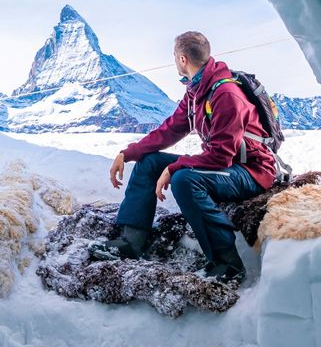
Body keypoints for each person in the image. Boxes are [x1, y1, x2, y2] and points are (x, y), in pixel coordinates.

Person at [89, 31, 277, 283]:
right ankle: (131, 241)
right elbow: (171, 129)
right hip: (227, 165)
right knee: (151, 162)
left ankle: (228, 264)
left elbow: (221, 156)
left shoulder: (225, 94)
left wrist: (176, 167)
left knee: (184, 180)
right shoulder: (197, 90)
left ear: (182, 60)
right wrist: (128, 152)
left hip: (250, 172)